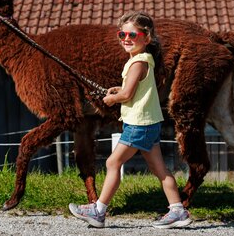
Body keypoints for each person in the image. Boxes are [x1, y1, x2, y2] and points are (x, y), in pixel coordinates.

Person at [69, 11, 192, 229]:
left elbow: (126, 96)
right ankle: (178, 211)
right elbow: (133, 89)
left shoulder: (138, 62)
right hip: (149, 122)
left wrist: (112, 98)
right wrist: (120, 89)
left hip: (139, 125)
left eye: (132, 35)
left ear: (147, 37)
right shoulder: (142, 60)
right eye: (122, 34)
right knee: (160, 169)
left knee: (112, 162)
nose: (126, 38)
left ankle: (99, 211)